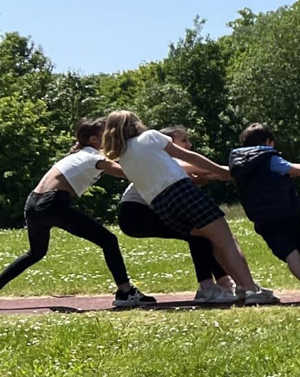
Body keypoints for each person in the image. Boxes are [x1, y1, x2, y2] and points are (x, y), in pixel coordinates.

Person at [100, 110, 276, 303]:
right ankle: (251, 290)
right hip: (182, 191)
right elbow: (190, 157)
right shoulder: (150, 137)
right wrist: (222, 171)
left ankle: (242, 286)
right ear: (135, 124)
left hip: (161, 205)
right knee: (227, 240)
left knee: (212, 238)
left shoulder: (123, 158)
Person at [0, 118, 154, 308]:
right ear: (93, 140)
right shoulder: (93, 156)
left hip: (33, 203)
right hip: (52, 203)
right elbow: (127, 173)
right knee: (108, 240)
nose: (110, 136)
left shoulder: (82, 154)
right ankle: (126, 292)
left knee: (36, 253)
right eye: (105, 133)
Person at [116, 126, 233, 304]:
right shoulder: (166, 159)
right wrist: (237, 171)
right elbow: (198, 167)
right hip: (136, 213)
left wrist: (212, 176)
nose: (189, 144)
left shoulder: (159, 162)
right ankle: (212, 287)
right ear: (168, 141)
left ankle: (218, 285)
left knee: (201, 233)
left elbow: (199, 175)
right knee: (200, 233)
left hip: (134, 215)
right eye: (184, 140)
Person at [228, 123, 300, 303]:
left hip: (262, 218)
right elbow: (297, 170)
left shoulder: (238, 163)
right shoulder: (267, 158)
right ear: (268, 142)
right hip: (286, 212)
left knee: (289, 253)